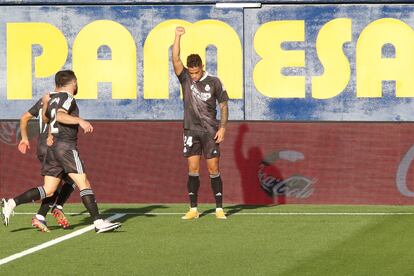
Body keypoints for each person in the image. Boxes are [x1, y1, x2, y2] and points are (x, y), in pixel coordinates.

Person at [2, 70, 121, 233]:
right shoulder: (68, 98)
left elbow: (45, 119)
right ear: (73, 82)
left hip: (51, 147)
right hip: (65, 146)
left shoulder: (49, 98)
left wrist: (45, 134)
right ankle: (98, 221)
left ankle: (13, 203)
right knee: (82, 182)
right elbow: (59, 115)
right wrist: (80, 120)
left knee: (49, 189)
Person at [172, 26, 229, 220]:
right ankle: (193, 209)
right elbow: (175, 58)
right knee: (193, 169)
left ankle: (219, 208)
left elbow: (223, 105)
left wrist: (222, 128)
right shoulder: (185, 79)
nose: (194, 76)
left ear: (202, 67)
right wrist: (177, 37)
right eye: (192, 72)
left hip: (210, 131)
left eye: (196, 72)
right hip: (190, 130)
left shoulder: (214, 82)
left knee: (213, 169)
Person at [18, 95, 76, 232]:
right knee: (73, 178)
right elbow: (51, 119)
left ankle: (41, 215)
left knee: (59, 183)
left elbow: (24, 118)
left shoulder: (44, 99)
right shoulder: (61, 100)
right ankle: (13, 203)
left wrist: (25, 139)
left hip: (42, 147)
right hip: (53, 145)